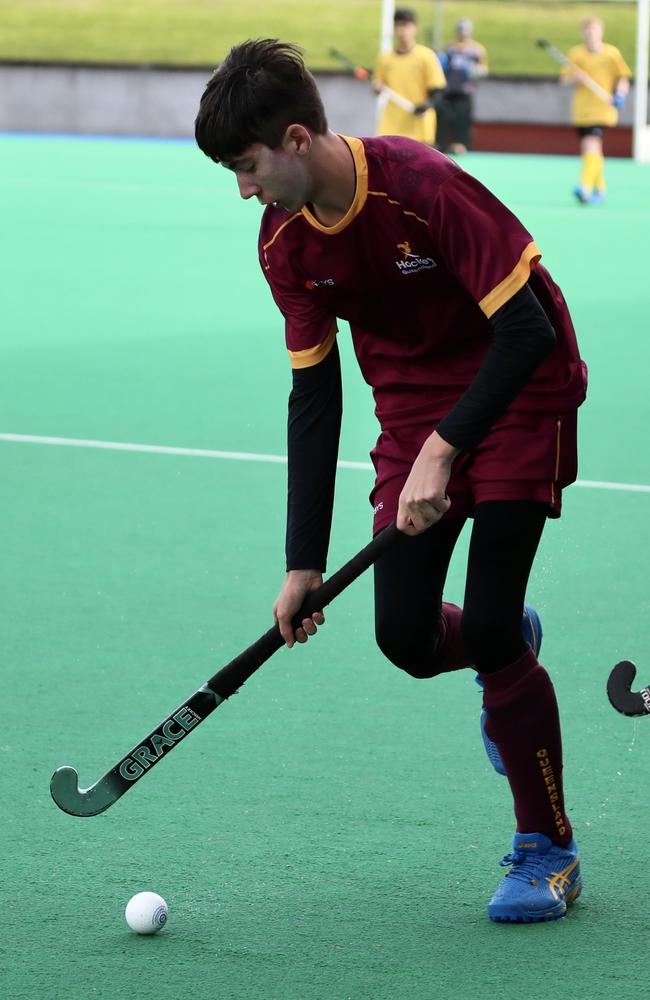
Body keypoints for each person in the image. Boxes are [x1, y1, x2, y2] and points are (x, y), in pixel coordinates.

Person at [195, 39, 587, 923]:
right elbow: (315, 397)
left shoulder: (424, 185)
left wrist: (446, 452)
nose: (244, 191)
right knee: (407, 640)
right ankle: (507, 651)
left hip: (522, 387)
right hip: (413, 413)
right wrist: (302, 562)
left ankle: (548, 848)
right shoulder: (284, 246)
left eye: (248, 167)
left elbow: (524, 332)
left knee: (485, 622)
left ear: (296, 139)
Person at [560, 15, 631, 204]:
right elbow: (564, 79)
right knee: (593, 150)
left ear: (601, 31)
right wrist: (576, 77)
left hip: (602, 110)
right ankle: (600, 189)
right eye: (587, 29)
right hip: (582, 111)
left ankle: (584, 186)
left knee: (590, 144)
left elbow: (622, 78)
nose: (591, 33)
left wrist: (620, 95)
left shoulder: (611, 54)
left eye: (594, 29)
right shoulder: (576, 54)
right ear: (582, 32)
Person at [373, 8, 446, 146]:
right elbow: (377, 87)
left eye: (406, 26)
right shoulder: (385, 58)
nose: (403, 31)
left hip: (420, 127)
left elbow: (437, 91)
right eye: (399, 26)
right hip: (391, 127)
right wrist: (377, 88)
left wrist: (426, 105)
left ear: (415, 28)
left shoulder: (427, 56)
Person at [437, 18, 488, 155]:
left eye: (465, 30)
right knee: (445, 118)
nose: (463, 33)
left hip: (465, 90)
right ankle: (442, 146)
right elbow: (442, 66)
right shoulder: (450, 48)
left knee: (463, 119)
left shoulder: (477, 49)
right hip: (449, 90)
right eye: (460, 30)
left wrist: (476, 71)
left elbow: (483, 68)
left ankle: (462, 145)